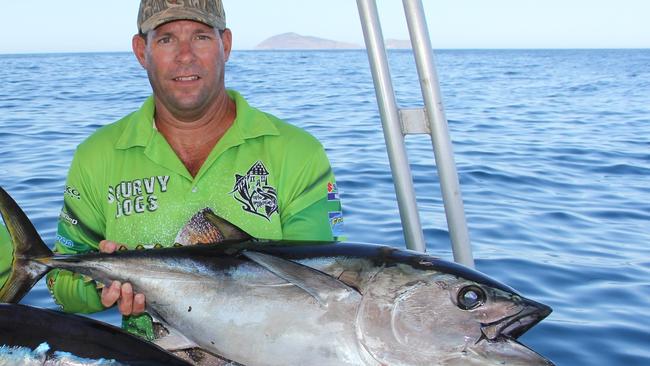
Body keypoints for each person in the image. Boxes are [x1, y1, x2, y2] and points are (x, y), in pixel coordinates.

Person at [46, 0, 343, 345]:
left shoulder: (298, 153)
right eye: (166, 39)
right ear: (142, 51)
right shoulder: (96, 156)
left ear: (225, 45)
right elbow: (58, 284)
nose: (185, 56)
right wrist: (103, 285)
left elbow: (318, 290)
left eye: (200, 37)